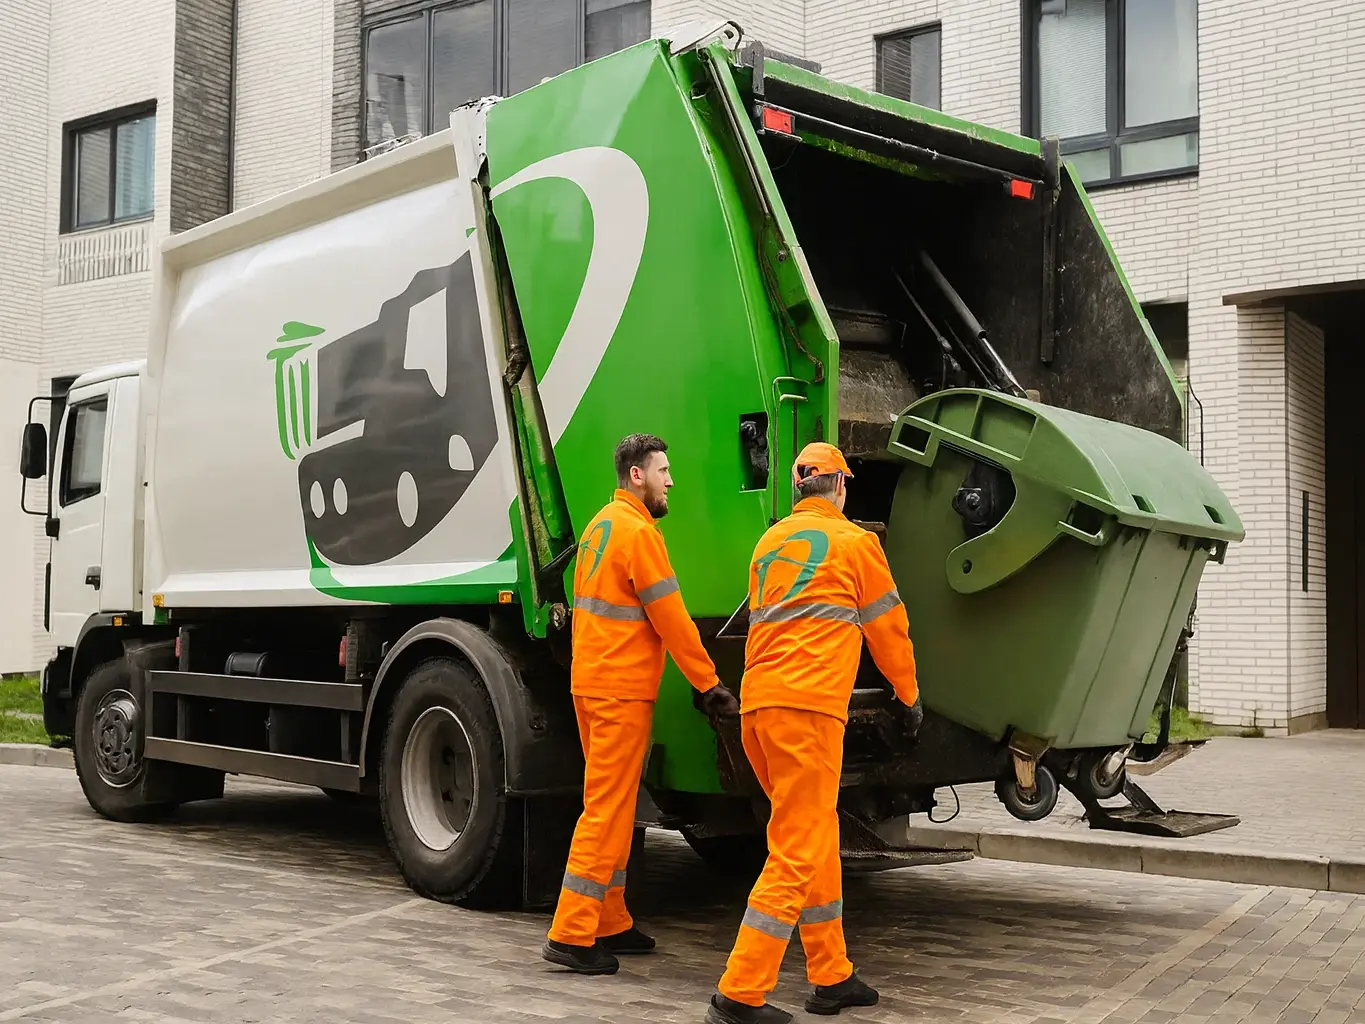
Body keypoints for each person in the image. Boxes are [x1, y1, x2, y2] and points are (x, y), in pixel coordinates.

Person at [707, 442, 923, 1024]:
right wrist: (908, 697)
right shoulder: (856, 543)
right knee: (797, 850)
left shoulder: (769, 544)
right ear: (842, 487)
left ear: (799, 488)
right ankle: (739, 993)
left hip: (760, 710)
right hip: (808, 712)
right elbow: (890, 629)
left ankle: (832, 975)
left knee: (814, 834)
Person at [544, 433, 740, 976]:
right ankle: (571, 931)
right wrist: (708, 683)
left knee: (614, 804)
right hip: (620, 692)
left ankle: (610, 918)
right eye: (663, 471)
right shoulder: (639, 534)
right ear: (638, 475)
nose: (670, 481)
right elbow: (670, 617)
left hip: (592, 685)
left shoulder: (600, 527)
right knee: (607, 810)